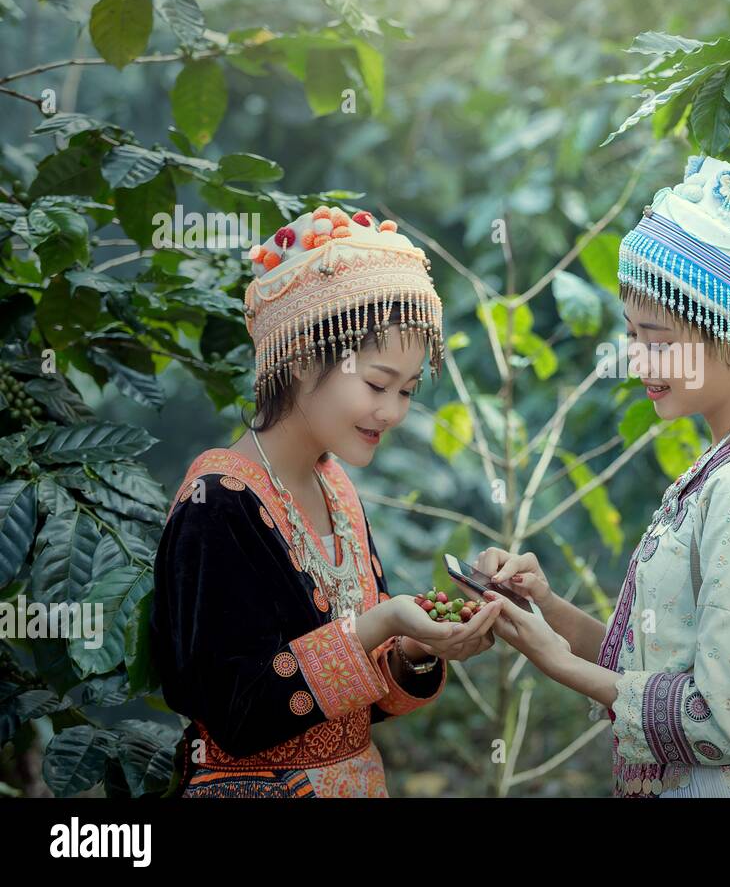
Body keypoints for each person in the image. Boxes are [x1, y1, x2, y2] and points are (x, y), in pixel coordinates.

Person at [468, 156, 730, 797]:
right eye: (631, 336)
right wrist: (547, 610)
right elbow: (657, 666)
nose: (636, 360)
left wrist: (556, 662)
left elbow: (721, 720)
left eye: (656, 337)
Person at [151, 204, 501, 797]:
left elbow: (357, 707)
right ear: (303, 357)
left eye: (408, 391)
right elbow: (237, 713)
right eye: (375, 384)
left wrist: (414, 648)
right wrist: (381, 621)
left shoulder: (335, 485)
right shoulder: (218, 502)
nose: (392, 411)